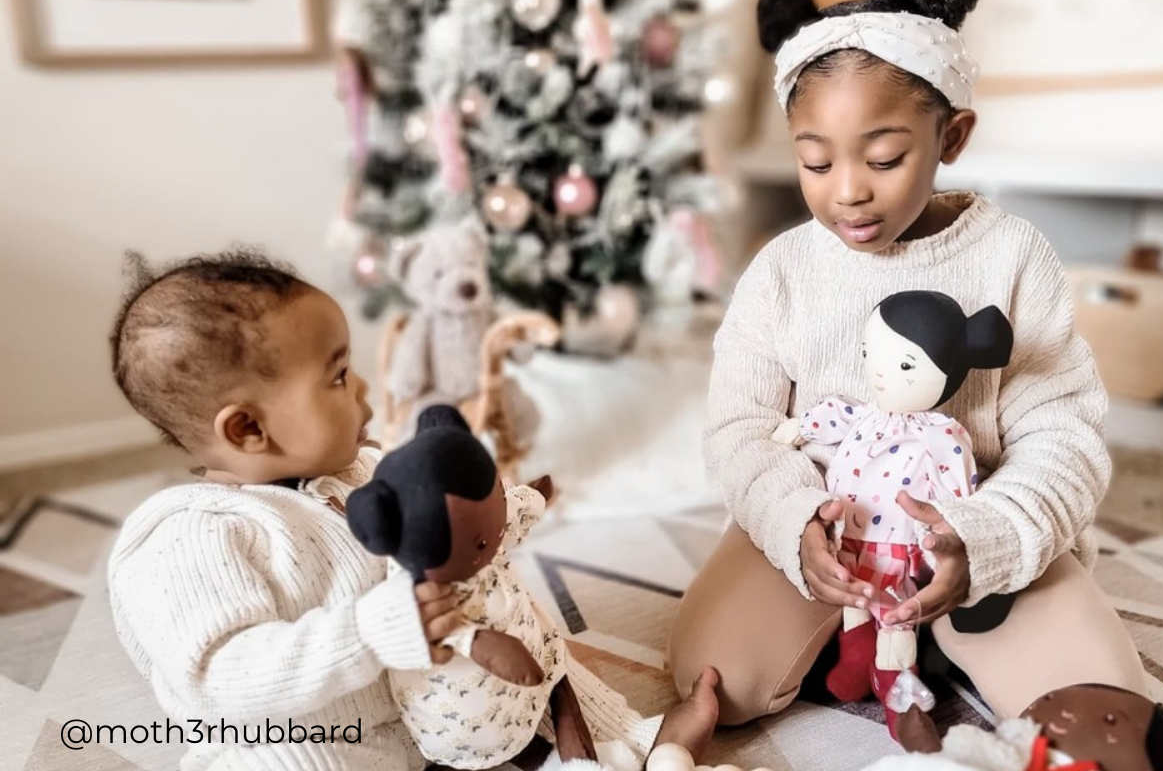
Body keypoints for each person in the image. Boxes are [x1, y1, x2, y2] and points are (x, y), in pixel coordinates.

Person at [666, 0, 1147, 740]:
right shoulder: (784, 271)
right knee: (714, 682)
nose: (847, 191)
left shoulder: (1014, 257)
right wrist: (795, 528)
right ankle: (867, 639)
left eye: (884, 159)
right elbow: (740, 430)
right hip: (833, 536)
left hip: (971, 539)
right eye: (816, 163)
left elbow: (1065, 440)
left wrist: (986, 539)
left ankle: (938, 639)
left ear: (950, 137)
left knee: (1110, 715)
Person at [106, 250, 717, 771]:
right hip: (311, 739)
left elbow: (452, 545)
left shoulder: (363, 469)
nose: (365, 389)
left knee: (517, 622)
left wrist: (502, 507)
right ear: (247, 428)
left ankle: (630, 740)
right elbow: (222, 675)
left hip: (426, 711)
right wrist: (373, 630)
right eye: (339, 376)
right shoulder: (190, 537)